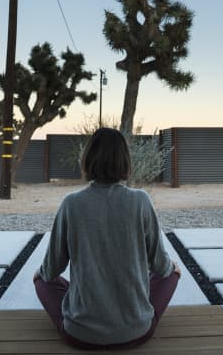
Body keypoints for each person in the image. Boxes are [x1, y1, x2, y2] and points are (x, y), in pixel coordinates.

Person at [33, 127, 181, 349]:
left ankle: (85, 315)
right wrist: (172, 268)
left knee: (42, 280)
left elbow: (51, 269)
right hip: (136, 332)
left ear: (88, 159)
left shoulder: (72, 203)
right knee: (171, 274)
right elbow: (160, 266)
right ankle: (133, 316)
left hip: (80, 334)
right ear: (125, 161)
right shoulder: (140, 200)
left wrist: (40, 274)